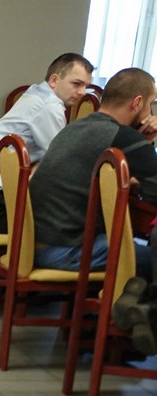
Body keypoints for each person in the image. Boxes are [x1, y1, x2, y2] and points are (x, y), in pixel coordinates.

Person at [30, 67, 157, 276]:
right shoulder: (121, 136)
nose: (150, 113)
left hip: (33, 242)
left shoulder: (75, 127)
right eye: (150, 104)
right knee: (151, 255)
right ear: (137, 102)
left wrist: (143, 141)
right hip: (65, 249)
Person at [0, 53, 94, 233]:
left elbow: (53, 158)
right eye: (76, 84)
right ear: (54, 80)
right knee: (77, 224)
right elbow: (63, 163)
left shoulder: (36, 94)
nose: (82, 92)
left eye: (86, 86)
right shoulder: (49, 106)